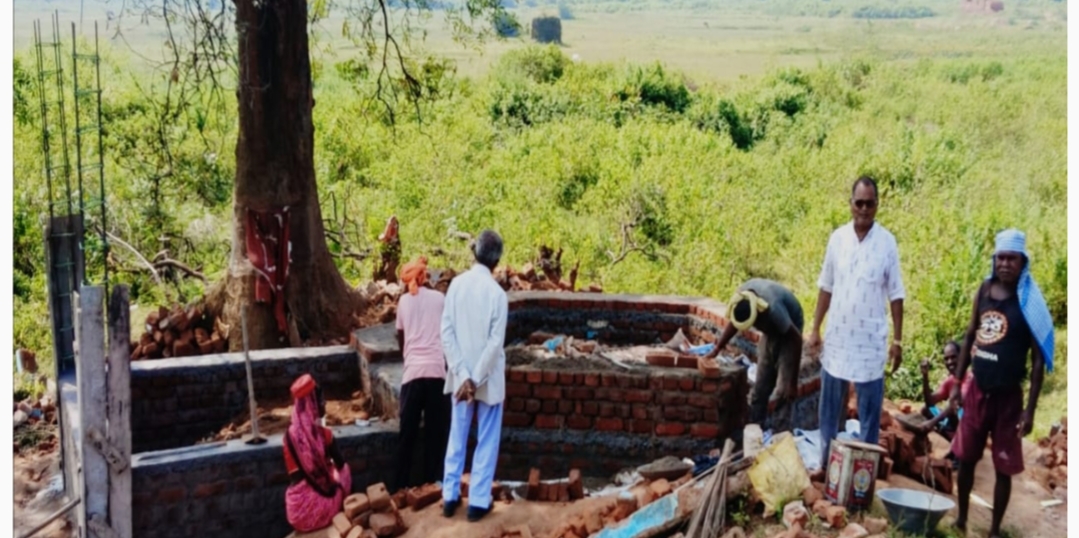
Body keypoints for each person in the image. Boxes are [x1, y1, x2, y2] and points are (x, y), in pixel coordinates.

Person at [951, 229, 1052, 537]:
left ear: (1023, 262)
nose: (1005, 264)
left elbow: (1037, 361)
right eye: (1001, 258)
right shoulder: (984, 290)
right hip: (977, 390)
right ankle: (961, 519)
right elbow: (970, 335)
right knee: (966, 458)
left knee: (1003, 467)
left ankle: (994, 530)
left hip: (1008, 398)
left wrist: (1030, 411)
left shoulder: (1028, 302)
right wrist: (957, 382)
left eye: (1012, 259)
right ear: (994, 260)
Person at [807, 176, 905, 470]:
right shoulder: (838, 239)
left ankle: (863, 479)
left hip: (870, 345)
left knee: (869, 418)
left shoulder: (887, 243)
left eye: (869, 204)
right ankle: (826, 468)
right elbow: (826, 286)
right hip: (838, 340)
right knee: (828, 413)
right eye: (859, 203)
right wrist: (815, 328)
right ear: (850, 204)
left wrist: (897, 341)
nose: (863, 209)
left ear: (877, 205)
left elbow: (896, 294)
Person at [440, 230, 509, 522]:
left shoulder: (456, 286)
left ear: (474, 252)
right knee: (487, 438)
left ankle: (449, 495)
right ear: (497, 261)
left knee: (457, 434)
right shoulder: (498, 295)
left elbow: (446, 332)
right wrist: (476, 378)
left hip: (460, 377)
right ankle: (478, 501)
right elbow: (495, 344)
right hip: (487, 378)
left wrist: (463, 374)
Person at [704, 278, 804, 425]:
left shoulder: (774, 309)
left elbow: (796, 339)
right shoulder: (741, 298)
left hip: (791, 332)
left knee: (783, 392)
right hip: (771, 332)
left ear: (758, 313)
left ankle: (780, 432)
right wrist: (717, 349)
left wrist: (793, 383)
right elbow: (734, 323)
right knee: (760, 388)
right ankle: (756, 426)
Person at [394, 256, 452, 491]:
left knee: (406, 436)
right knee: (435, 436)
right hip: (437, 372)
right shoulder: (440, 299)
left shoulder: (403, 302)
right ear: (425, 277)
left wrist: (409, 359)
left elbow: (401, 338)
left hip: (412, 375)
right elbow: (447, 334)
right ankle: (434, 485)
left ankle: (400, 487)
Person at [283, 374, 352, 533]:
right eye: (321, 400)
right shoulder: (324, 435)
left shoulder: (288, 438)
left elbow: (296, 475)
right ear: (312, 404)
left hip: (296, 511)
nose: (324, 404)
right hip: (319, 507)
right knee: (344, 472)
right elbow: (340, 464)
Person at [916, 340, 971, 439]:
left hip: (968, 423)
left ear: (961, 357)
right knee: (926, 410)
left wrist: (932, 423)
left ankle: (953, 437)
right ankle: (946, 432)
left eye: (953, 357)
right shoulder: (950, 380)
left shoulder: (969, 379)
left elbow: (955, 405)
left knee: (954, 412)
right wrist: (925, 376)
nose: (950, 362)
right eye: (946, 359)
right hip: (953, 421)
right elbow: (930, 402)